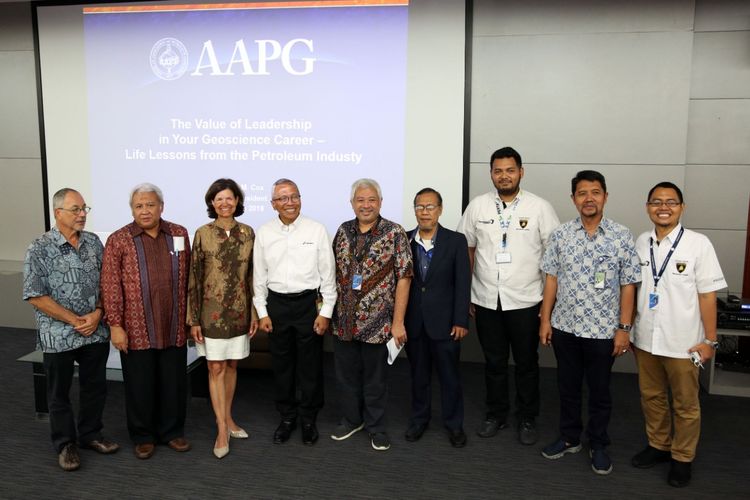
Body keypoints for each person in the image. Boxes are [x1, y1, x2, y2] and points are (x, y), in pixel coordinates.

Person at [539, 170, 641, 475]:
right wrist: (545, 320)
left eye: (595, 192)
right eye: (582, 193)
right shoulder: (561, 234)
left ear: (605, 197)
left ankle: (598, 444)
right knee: (567, 387)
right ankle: (570, 437)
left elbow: (628, 285)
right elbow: (551, 279)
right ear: (573, 199)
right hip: (565, 327)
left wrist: (624, 329)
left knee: (599, 391)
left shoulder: (622, 236)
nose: (589, 198)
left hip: (602, 331)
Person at [457, 146, 559, 445]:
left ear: (521, 172)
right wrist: (469, 295)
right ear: (491, 174)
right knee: (494, 363)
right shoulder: (478, 206)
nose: (504, 176)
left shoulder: (540, 208)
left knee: (527, 364)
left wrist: (548, 308)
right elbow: (468, 250)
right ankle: (496, 414)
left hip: (526, 300)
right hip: (487, 300)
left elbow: (553, 257)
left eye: (510, 170)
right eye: (498, 171)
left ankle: (527, 418)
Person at [630, 182, 727, 487]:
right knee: (652, 397)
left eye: (671, 202)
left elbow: (708, 297)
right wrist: (631, 330)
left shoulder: (699, 244)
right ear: (648, 207)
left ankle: (682, 457)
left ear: (681, 208)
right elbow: (634, 290)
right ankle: (659, 445)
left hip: (684, 343)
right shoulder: (641, 241)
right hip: (646, 338)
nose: (663, 207)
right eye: (657, 202)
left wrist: (709, 341)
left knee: (686, 405)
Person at [23, 188, 119, 471]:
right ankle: (65, 444)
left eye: (84, 209)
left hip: (94, 331)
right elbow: (34, 294)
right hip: (58, 335)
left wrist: (98, 313)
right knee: (58, 393)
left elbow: (108, 283)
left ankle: (91, 434)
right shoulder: (39, 247)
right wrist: (74, 320)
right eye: (76, 209)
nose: (81, 215)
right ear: (58, 213)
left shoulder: (93, 243)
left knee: (95, 388)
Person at [100, 183, 192, 460]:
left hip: (173, 324)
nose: (145, 210)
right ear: (132, 210)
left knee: (173, 383)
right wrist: (115, 325)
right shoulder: (119, 239)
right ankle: (143, 436)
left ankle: (172, 432)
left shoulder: (178, 233)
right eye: (139, 206)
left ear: (161, 207)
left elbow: (189, 279)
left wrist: (191, 319)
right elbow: (110, 285)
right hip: (136, 327)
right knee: (140, 385)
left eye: (150, 204)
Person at [330, 178, 413, 451]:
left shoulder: (395, 233)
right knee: (346, 376)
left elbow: (404, 277)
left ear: (380, 202)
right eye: (360, 200)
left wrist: (398, 322)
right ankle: (352, 419)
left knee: (375, 380)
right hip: (344, 321)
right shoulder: (343, 231)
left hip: (378, 323)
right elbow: (332, 273)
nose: (366, 205)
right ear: (352, 203)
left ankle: (376, 426)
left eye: (371, 200)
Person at [253, 178, 336, 446]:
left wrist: (326, 313)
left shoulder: (316, 230)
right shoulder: (264, 232)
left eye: (294, 197)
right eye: (283, 198)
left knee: (310, 366)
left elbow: (328, 276)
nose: (290, 203)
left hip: (308, 305)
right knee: (282, 366)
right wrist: (262, 312)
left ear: (300, 199)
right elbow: (259, 277)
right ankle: (287, 417)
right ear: (273, 204)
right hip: (277, 306)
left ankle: (309, 418)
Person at [187, 178, 258, 459]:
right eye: (219, 199)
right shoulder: (203, 233)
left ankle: (229, 419)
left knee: (231, 366)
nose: (224, 203)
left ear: (237, 201)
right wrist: (193, 319)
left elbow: (253, 275)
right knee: (215, 368)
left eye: (229, 198)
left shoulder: (248, 233)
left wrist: (254, 312)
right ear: (212, 203)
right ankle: (219, 428)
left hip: (240, 311)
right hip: (210, 314)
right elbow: (194, 277)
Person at [404, 188, 471, 448]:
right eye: (420, 207)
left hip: (446, 324)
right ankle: (419, 420)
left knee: (450, 377)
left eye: (430, 207)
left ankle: (454, 425)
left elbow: (462, 284)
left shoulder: (456, 241)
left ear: (440, 210)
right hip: (415, 323)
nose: (424, 212)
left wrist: (461, 320)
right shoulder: (405, 240)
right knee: (418, 376)